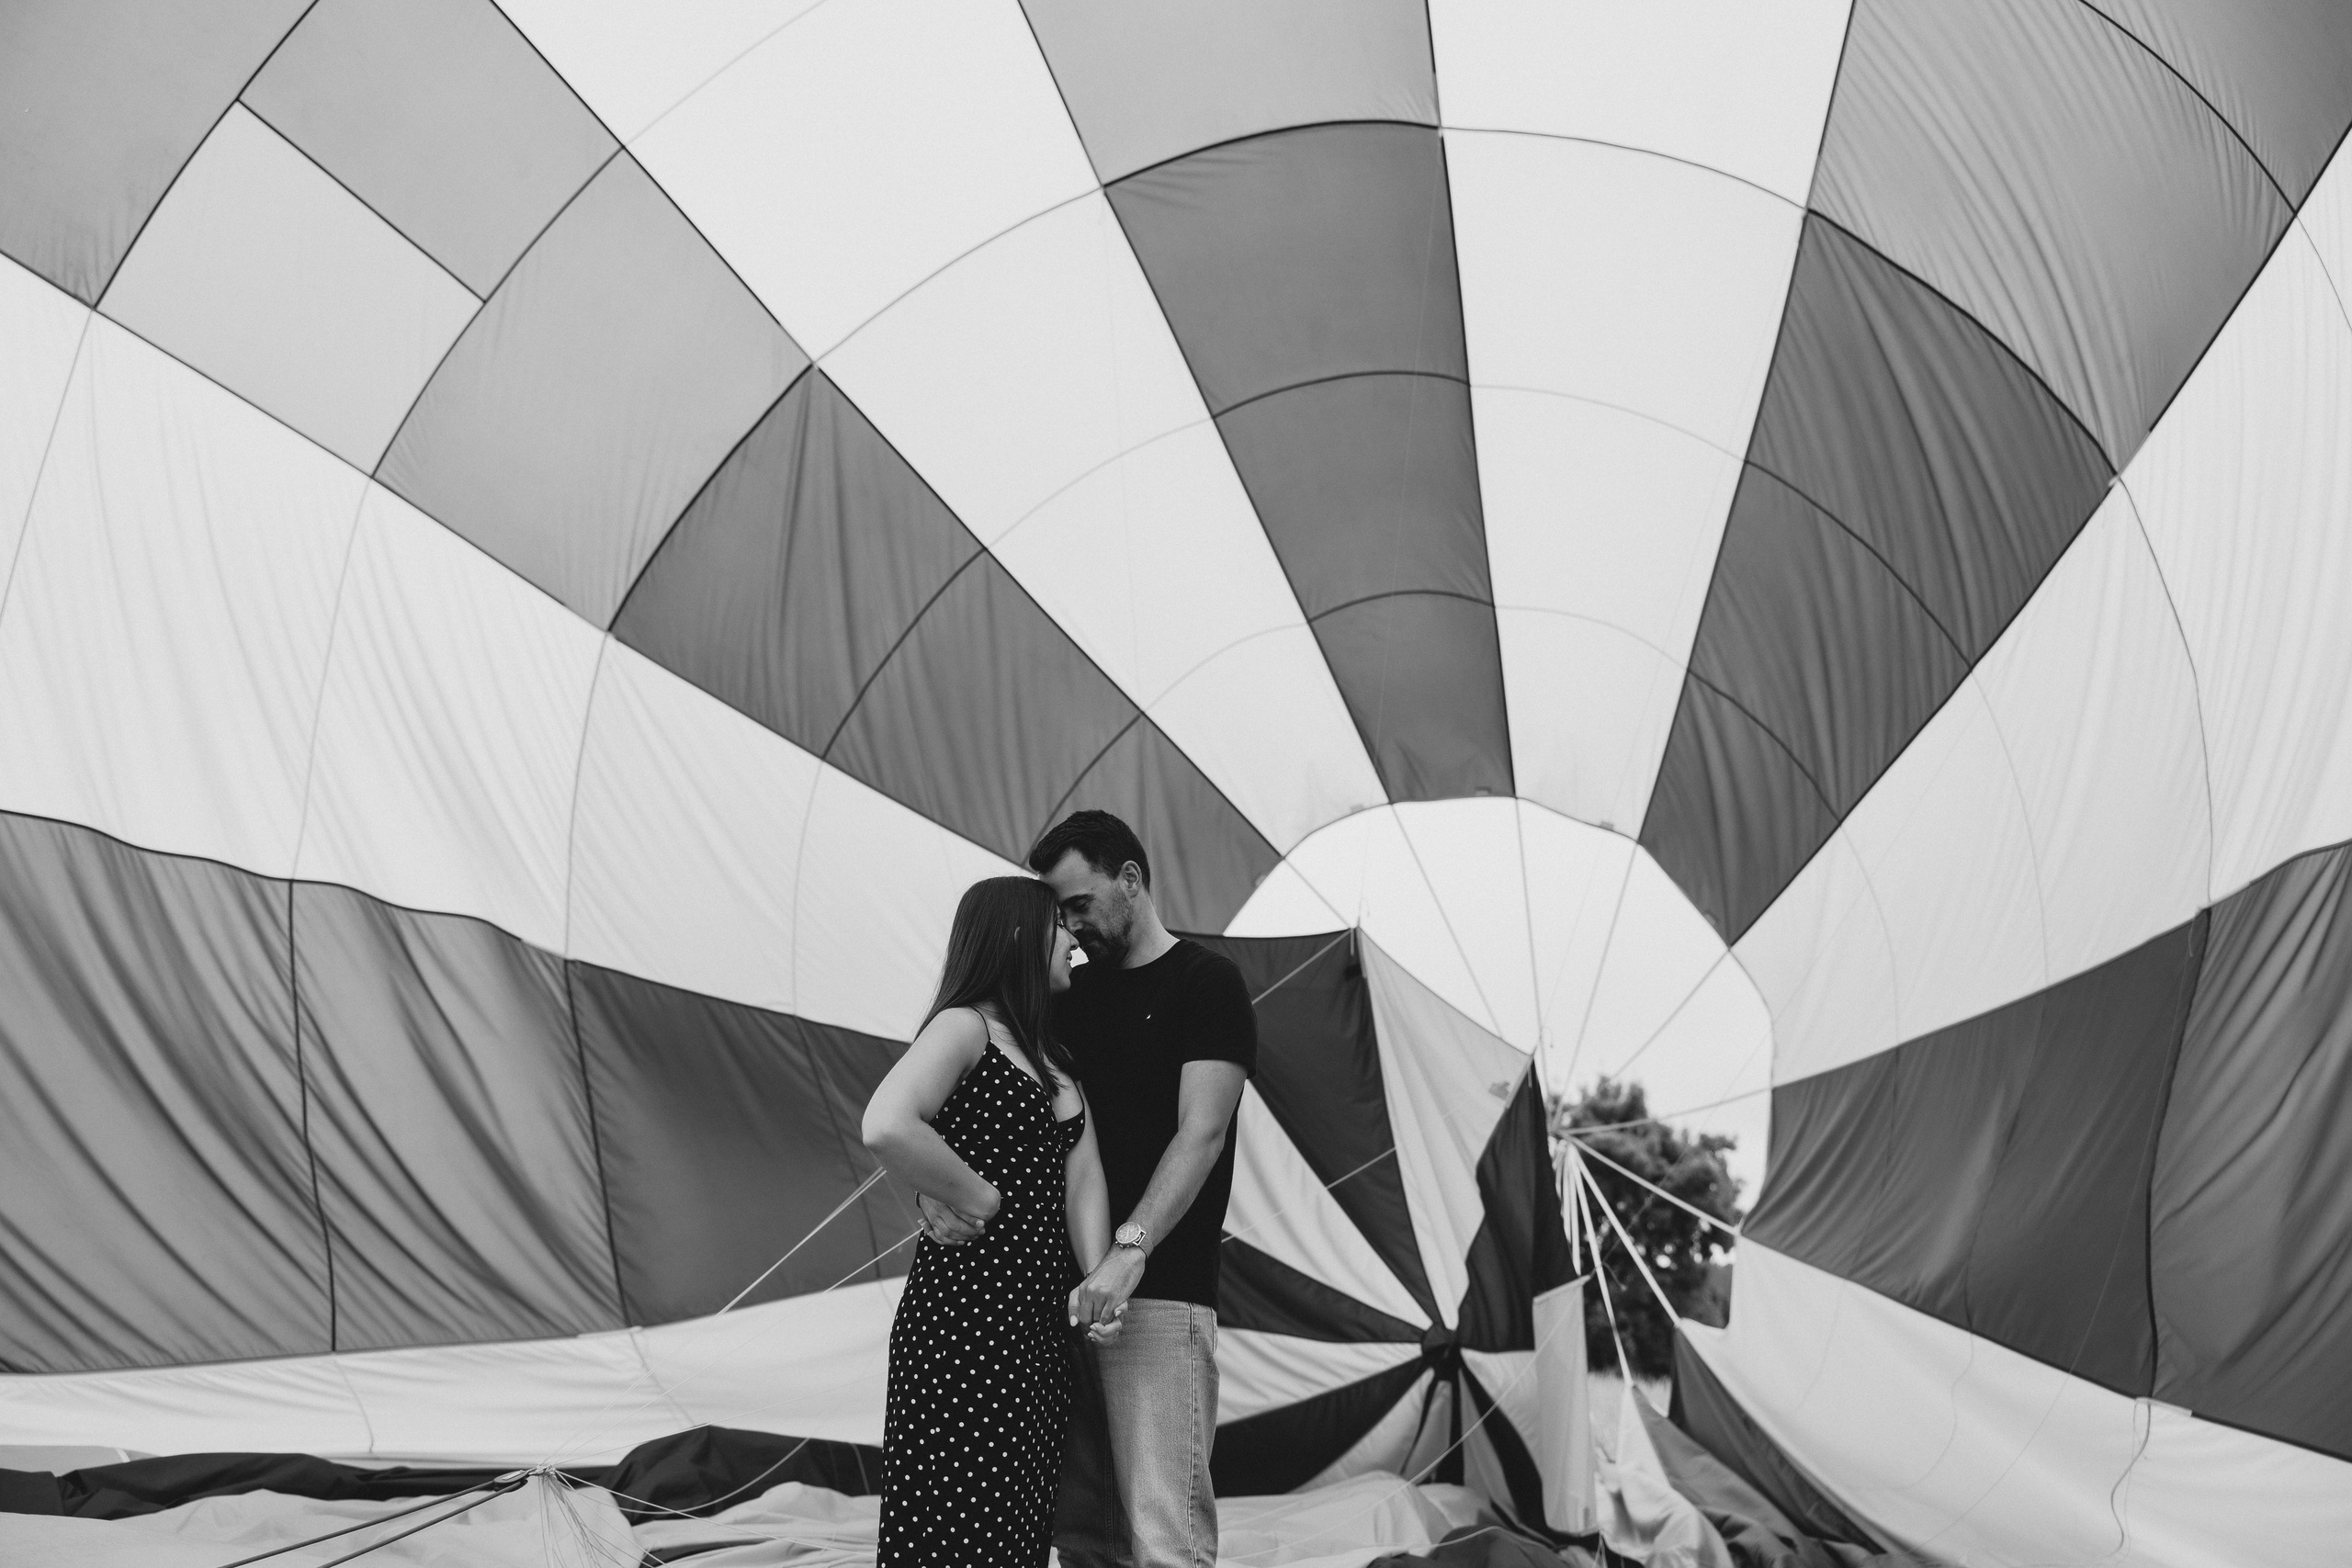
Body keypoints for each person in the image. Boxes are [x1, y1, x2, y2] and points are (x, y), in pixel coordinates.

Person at [924, 811, 1257, 1568]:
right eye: (1057, 913)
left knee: (1163, 1532)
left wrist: (1128, 1250)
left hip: (1161, 1297)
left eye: (1077, 904)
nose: (1068, 926)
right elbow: (988, 1105)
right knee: (1081, 1541)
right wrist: (930, 1192)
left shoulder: (1208, 984)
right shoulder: (1063, 995)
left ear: (1130, 880)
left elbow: (1200, 1133)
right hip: (1054, 1304)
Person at [861, 875, 1125, 1568]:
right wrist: (976, 1195)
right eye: (1057, 927)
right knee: (953, 1528)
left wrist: (1101, 1281)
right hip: (961, 1327)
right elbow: (887, 1123)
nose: (1073, 941)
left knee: (1017, 1528)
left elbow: (1084, 1174)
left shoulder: (1052, 1061)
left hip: (1034, 1335)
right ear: (1018, 935)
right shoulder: (964, 1026)